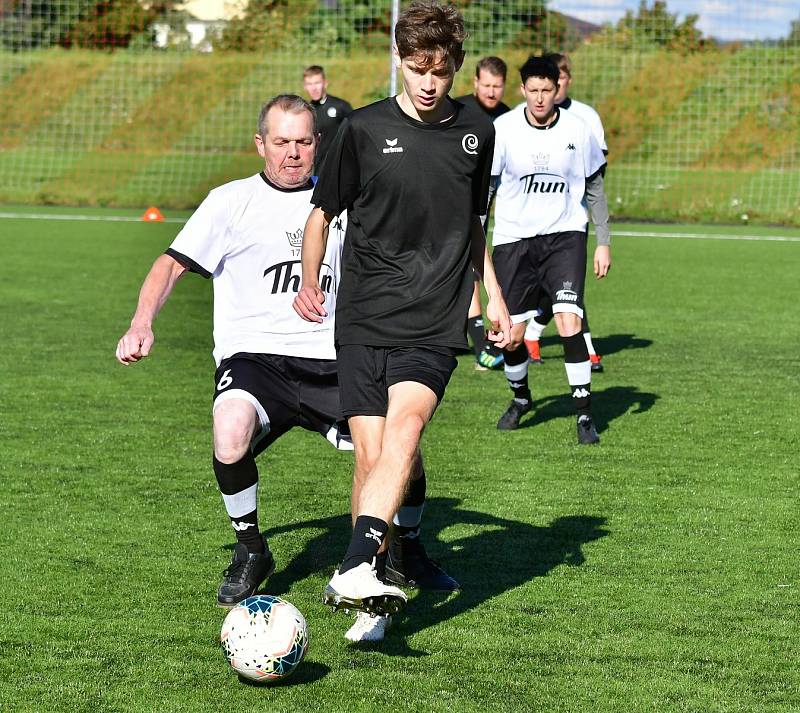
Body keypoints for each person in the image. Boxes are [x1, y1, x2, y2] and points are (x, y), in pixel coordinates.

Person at [114, 96, 447, 644]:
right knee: (229, 432)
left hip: (337, 358)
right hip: (257, 361)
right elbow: (170, 263)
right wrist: (142, 322)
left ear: (320, 143)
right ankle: (251, 551)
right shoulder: (230, 202)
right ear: (260, 143)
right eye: (281, 142)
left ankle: (407, 549)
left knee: (400, 449)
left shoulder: (343, 199)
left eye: (304, 141)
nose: (293, 153)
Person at [294, 1, 511, 622]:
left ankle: (358, 563)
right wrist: (311, 280)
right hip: (364, 313)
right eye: (417, 69)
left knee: (406, 429)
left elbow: (475, 225)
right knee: (371, 455)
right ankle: (377, 584)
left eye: (439, 72)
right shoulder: (360, 130)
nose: (427, 83)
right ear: (400, 61)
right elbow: (321, 213)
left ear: (456, 71)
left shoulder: (477, 134)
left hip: (434, 314)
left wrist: (491, 295)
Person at [490, 55, 611, 444]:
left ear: (557, 89)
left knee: (568, 321)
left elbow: (595, 187)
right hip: (514, 240)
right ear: (522, 90)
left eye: (548, 90)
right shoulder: (503, 129)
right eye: (534, 91)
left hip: (565, 236)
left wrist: (603, 242)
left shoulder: (578, 129)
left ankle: (584, 414)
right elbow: (486, 191)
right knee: (510, 335)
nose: (541, 98)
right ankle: (521, 399)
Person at [523, 52, 608, 373]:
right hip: (532, 225)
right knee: (551, 286)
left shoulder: (585, 118)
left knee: (569, 286)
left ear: (565, 81)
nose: (548, 90)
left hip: (572, 221)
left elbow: (597, 172)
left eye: (556, 80)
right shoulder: (523, 119)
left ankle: (584, 348)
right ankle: (531, 334)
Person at [455, 56, 510, 371]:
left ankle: (495, 336)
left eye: (497, 86)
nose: (491, 92)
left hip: (502, 195)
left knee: (494, 260)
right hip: (465, 195)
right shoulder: (459, 110)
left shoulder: (511, 117)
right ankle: (481, 345)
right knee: (471, 263)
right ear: (475, 82)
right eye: (486, 85)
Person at [302, 65, 353, 170]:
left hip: (341, 166)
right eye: (309, 84)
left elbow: (355, 134)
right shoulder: (305, 112)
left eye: (317, 83)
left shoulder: (341, 106)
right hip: (317, 168)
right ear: (305, 86)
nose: (314, 88)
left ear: (325, 83)